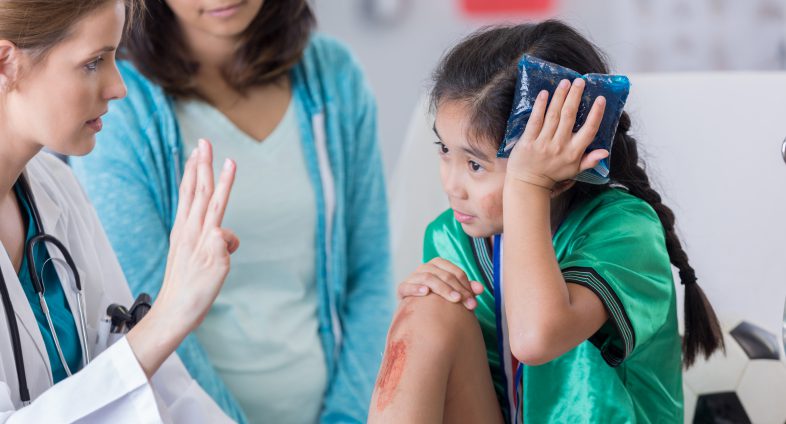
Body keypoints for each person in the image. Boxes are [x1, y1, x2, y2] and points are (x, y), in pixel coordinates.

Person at [368, 20, 724, 423]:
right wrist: (419, 311)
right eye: (443, 149)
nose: (452, 184)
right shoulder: (452, 235)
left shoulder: (626, 231)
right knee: (427, 310)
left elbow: (536, 338)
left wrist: (528, 184)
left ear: (560, 170)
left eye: (474, 165)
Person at [69, 1, 392, 422]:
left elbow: (371, 275)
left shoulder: (334, 76)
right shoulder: (115, 105)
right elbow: (145, 310)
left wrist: (347, 416)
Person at [0, 0, 241, 421]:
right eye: (94, 62)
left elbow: (161, 393)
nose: (119, 87)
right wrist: (169, 315)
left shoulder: (59, 190)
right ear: (6, 63)